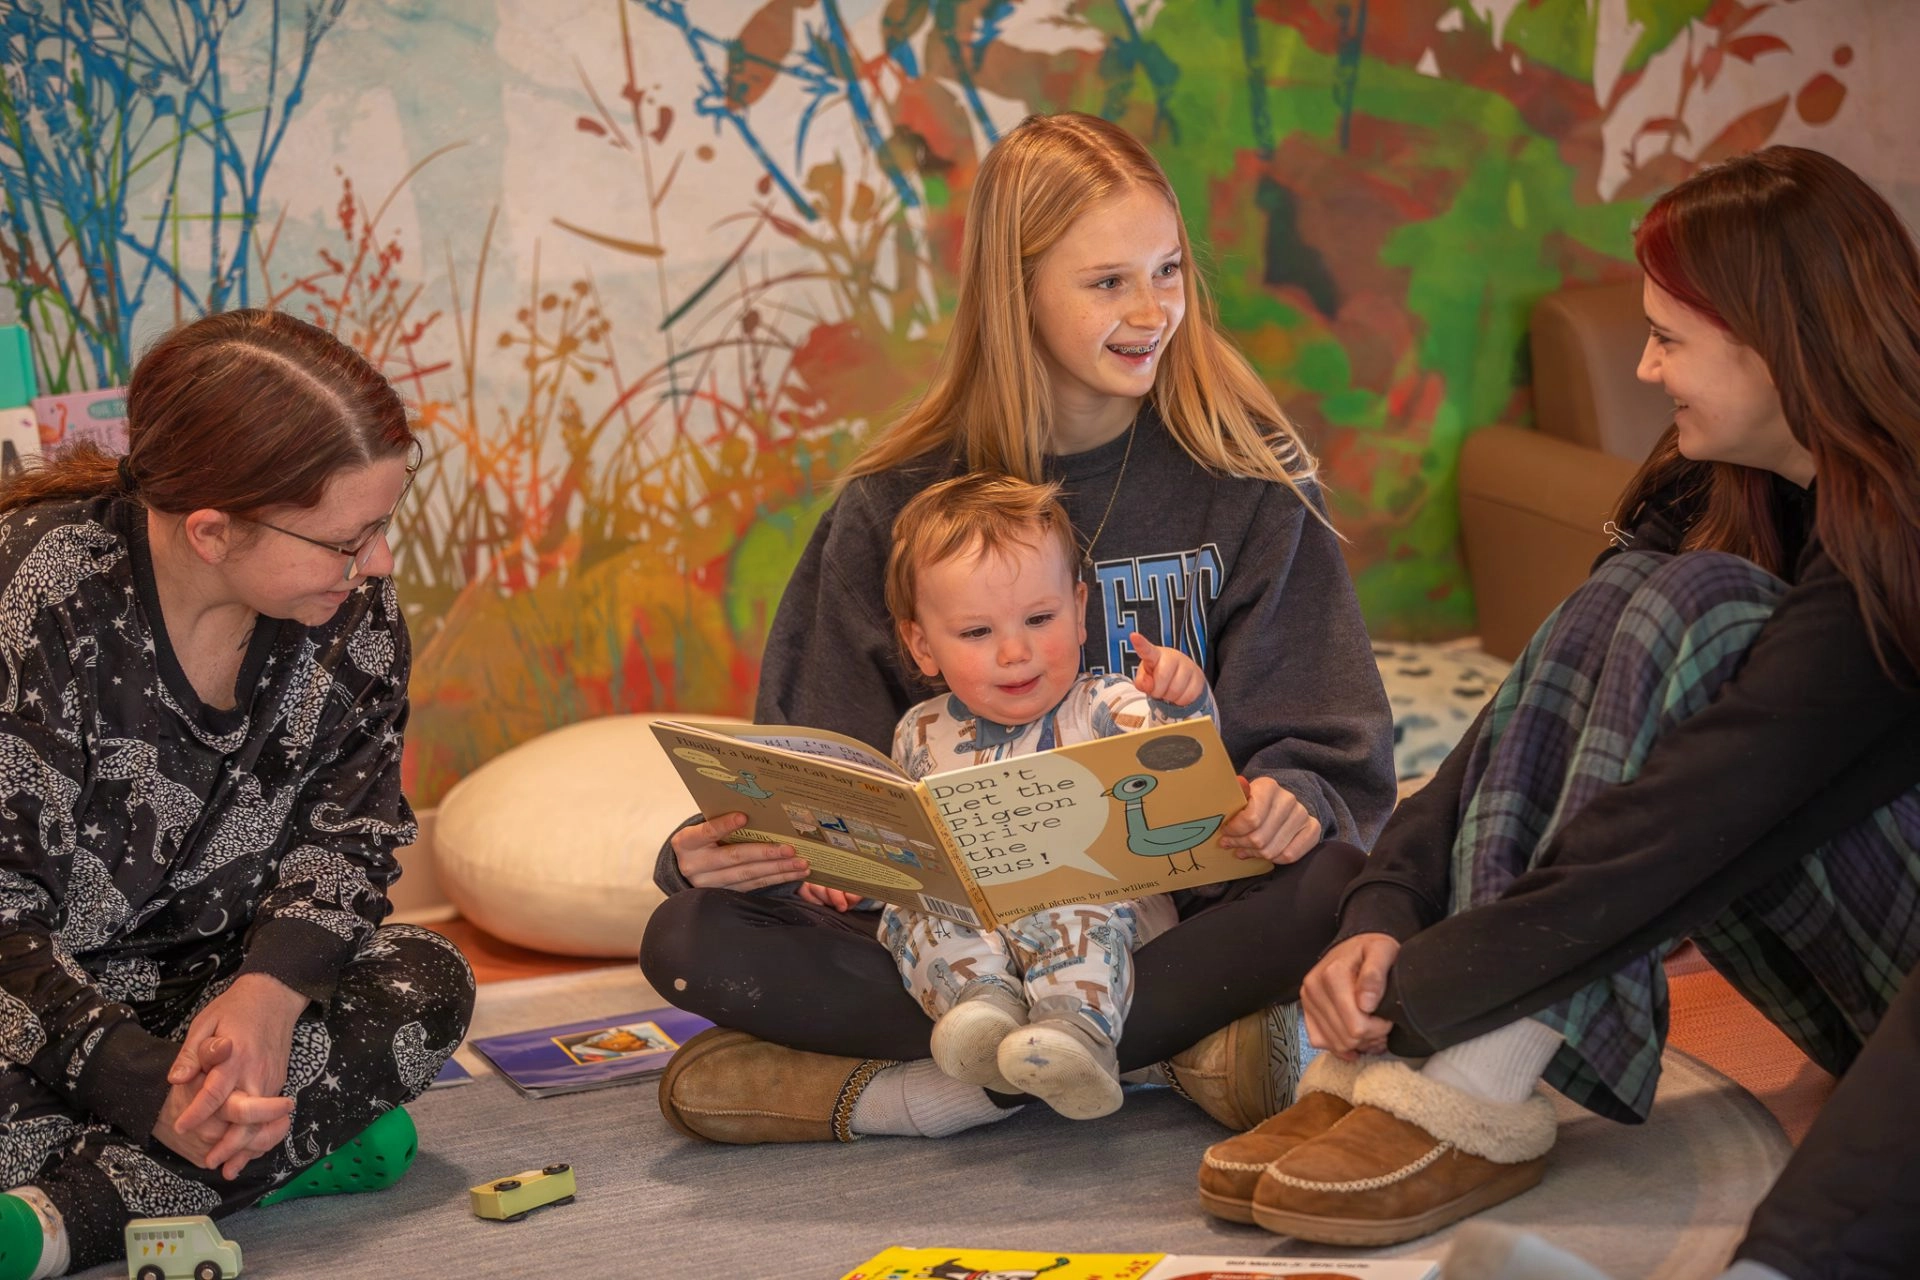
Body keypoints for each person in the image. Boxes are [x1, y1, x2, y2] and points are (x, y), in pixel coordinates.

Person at [1196, 145, 1920, 1274]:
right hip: (1806, 934)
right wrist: (1386, 913)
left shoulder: (1897, 539)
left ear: (1778, 346)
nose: (1643, 365)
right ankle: (1413, 1080)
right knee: (1625, 596)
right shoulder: (1711, 476)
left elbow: (1692, 817)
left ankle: (1477, 1086)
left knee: (1697, 602)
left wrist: (1425, 997)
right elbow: (1523, 709)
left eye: (1670, 339)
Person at [644, 110, 1396, 1147]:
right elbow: (813, 772)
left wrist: (1293, 801)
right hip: (951, 934)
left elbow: (1332, 743)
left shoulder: (1249, 476)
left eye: (1168, 270)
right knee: (691, 934)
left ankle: (939, 1085)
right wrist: (715, 853)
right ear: (1017, 289)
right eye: (1108, 282)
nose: (1152, 311)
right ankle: (1172, 1052)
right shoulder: (890, 502)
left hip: (1177, 913)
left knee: (1337, 885)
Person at [0, 309, 475, 1280]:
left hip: (205, 987)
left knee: (422, 983)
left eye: (382, 526)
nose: (379, 564)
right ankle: (276, 1154)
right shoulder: (36, 599)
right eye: (347, 539)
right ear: (212, 530)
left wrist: (270, 994)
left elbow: (347, 837)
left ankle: (64, 1218)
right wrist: (142, 1085)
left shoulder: (352, 610)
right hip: (33, 1002)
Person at [877, 473, 1218, 1120]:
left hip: (1101, 910)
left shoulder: (1105, 702)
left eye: (1040, 619)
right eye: (976, 633)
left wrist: (1181, 703)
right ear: (922, 644)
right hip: (983, 922)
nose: (1015, 651)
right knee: (912, 913)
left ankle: (1075, 1035)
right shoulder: (918, 731)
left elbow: (1180, 770)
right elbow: (910, 847)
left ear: (1080, 610)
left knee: (1072, 903)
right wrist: (855, 875)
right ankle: (982, 1011)